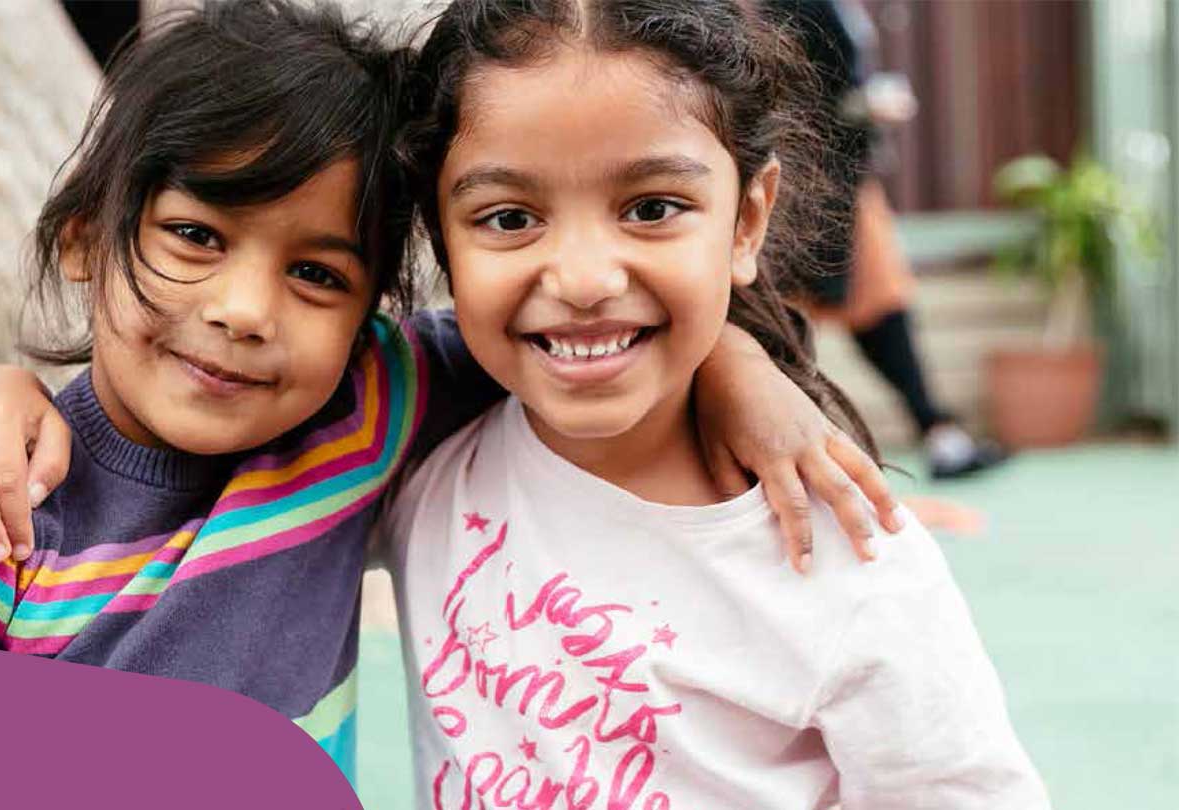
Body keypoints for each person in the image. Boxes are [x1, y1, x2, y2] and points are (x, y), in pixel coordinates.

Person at [0, 0, 897, 780]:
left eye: (317, 274)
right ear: (84, 238)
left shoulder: (359, 408)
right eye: (193, 236)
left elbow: (566, 327)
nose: (246, 308)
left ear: (365, 318)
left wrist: (740, 367)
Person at [381, 0, 1047, 805]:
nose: (586, 279)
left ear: (748, 220)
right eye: (510, 218)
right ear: (440, 235)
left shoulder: (846, 553)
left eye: (652, 209)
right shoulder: (415, 458)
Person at [767, 0, 1007, 479]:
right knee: (785, 319)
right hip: (807, 185)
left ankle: (937, 431)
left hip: (842, 181)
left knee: (877, 305)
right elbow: (794, 92)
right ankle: (932, 433)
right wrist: (864, 105)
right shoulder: (793, 4)